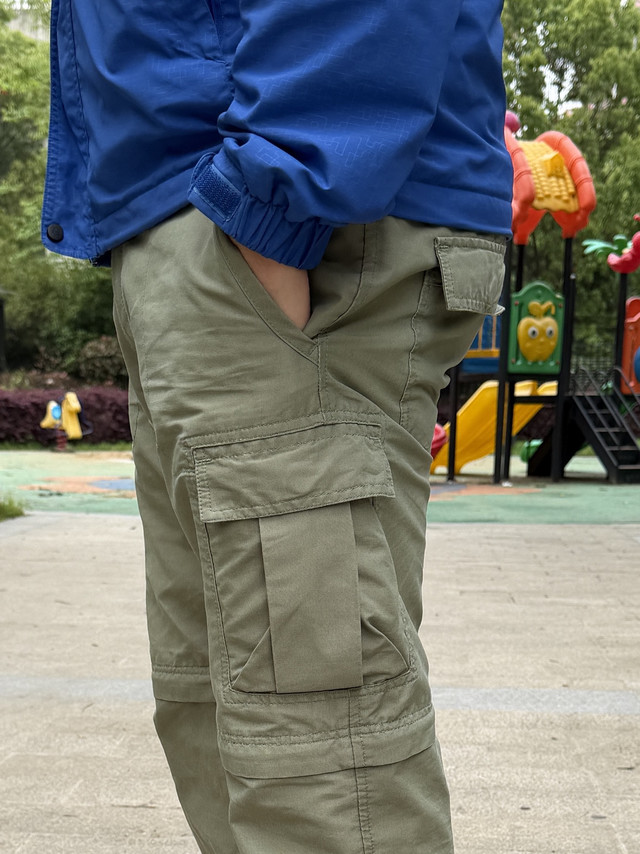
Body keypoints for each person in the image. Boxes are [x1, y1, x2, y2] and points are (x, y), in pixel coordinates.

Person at [42, 1, 512, 851]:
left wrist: (279, 198)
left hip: (290, 200)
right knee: (213, 707)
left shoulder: (275, 198)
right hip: (191, 210)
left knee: (317, 754)